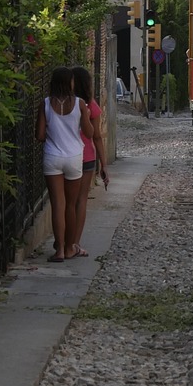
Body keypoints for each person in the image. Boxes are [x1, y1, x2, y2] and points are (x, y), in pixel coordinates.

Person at [35, 66, 94, 262]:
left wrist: (54, 136)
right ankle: (69, 248)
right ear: (70, 83)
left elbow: (40, 135)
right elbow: (89, 132)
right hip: (74, 158)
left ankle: (59, 250)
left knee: (57, 205)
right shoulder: (79, 104)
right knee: (71, 205)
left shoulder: (45, 104)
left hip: (52, 157)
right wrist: (84, 117)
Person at [68, 65, 109, 260]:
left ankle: (64, 243)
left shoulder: (62, 104)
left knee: (65, 201)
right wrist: (104, 165)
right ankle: (75, 243)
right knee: (80, 201)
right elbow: (97, 137)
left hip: (66, 156)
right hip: (87, 158)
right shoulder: (90, 105)